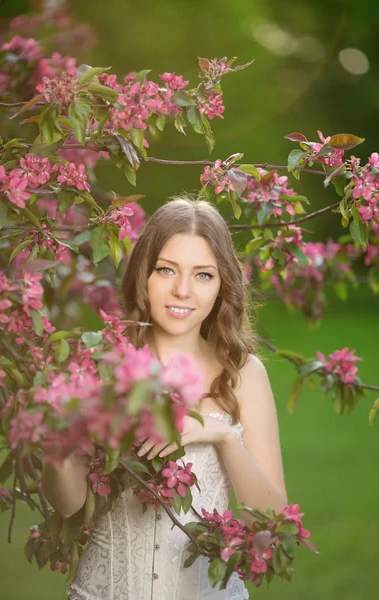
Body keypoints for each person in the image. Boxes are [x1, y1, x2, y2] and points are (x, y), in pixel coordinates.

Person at [42, 195, 288, 599]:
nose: (183, 290)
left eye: (203, 275)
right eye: (166, 269)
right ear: (143, 274)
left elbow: (271, 516)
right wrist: (57, 439)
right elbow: (68, 504)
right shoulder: (105, 366)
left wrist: (220, 434)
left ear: (223, 283)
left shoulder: (243, 375)